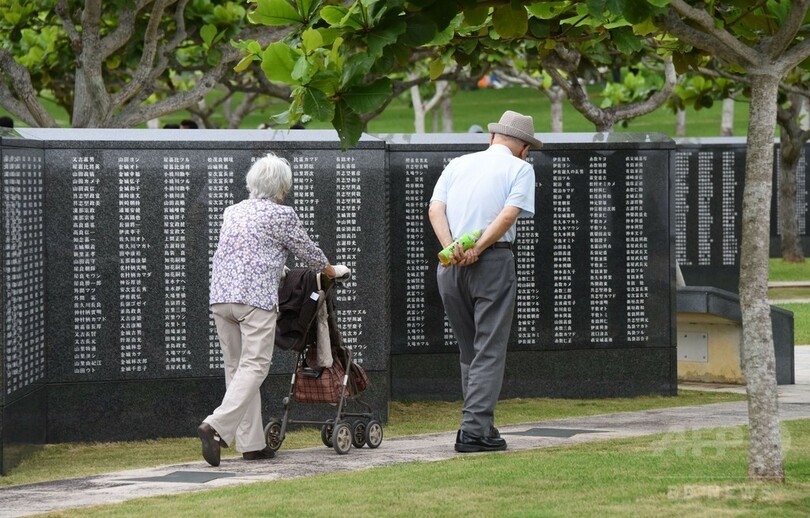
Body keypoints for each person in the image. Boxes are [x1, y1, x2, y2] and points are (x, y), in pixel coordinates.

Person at [198, 153, 350, 466]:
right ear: (282, 188)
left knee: (237, 370)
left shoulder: (232, 211)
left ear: (252, 183)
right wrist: (331, 270)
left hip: (221, 297)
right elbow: (309, 252)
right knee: (255, 366)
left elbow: (251, 253)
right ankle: (215, 426)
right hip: (254, 300)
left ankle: (252, 444)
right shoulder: (282, 215)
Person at [428, 110, 541, 453]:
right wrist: (477, 247)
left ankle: (482, 425)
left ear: (492, 138)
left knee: (470, 351)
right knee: (489, 350)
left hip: (449, 267)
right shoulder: (521, 169)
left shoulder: (458, 163)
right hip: (492, 262)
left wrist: (452, 248)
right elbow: (508, 215)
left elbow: (436, 209)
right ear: (524, 148)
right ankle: (474, 431)